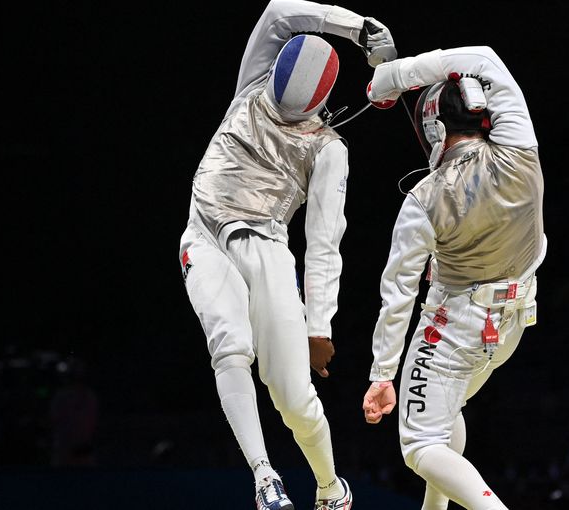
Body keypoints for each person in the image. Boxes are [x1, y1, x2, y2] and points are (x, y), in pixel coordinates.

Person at [178, 1, 395, 509]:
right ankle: (264, 478)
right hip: (205, 234)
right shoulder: (256, 79)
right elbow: (280, 11)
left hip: (268, 251)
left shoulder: (328, 149)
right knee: (228, 346)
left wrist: (320, 326)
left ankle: (329, 487)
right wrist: (361, 29)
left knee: (293, 398)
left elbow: (324, 243)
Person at [362, 46, 547, 510]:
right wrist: (395, 78)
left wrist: (383, 373)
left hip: (458, 328)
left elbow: (399, 292)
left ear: (434, 129)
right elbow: (483, 57)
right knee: (444, 417)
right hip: (513, 322)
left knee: (420, 445)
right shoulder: (520, 148)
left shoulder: (424, 199)